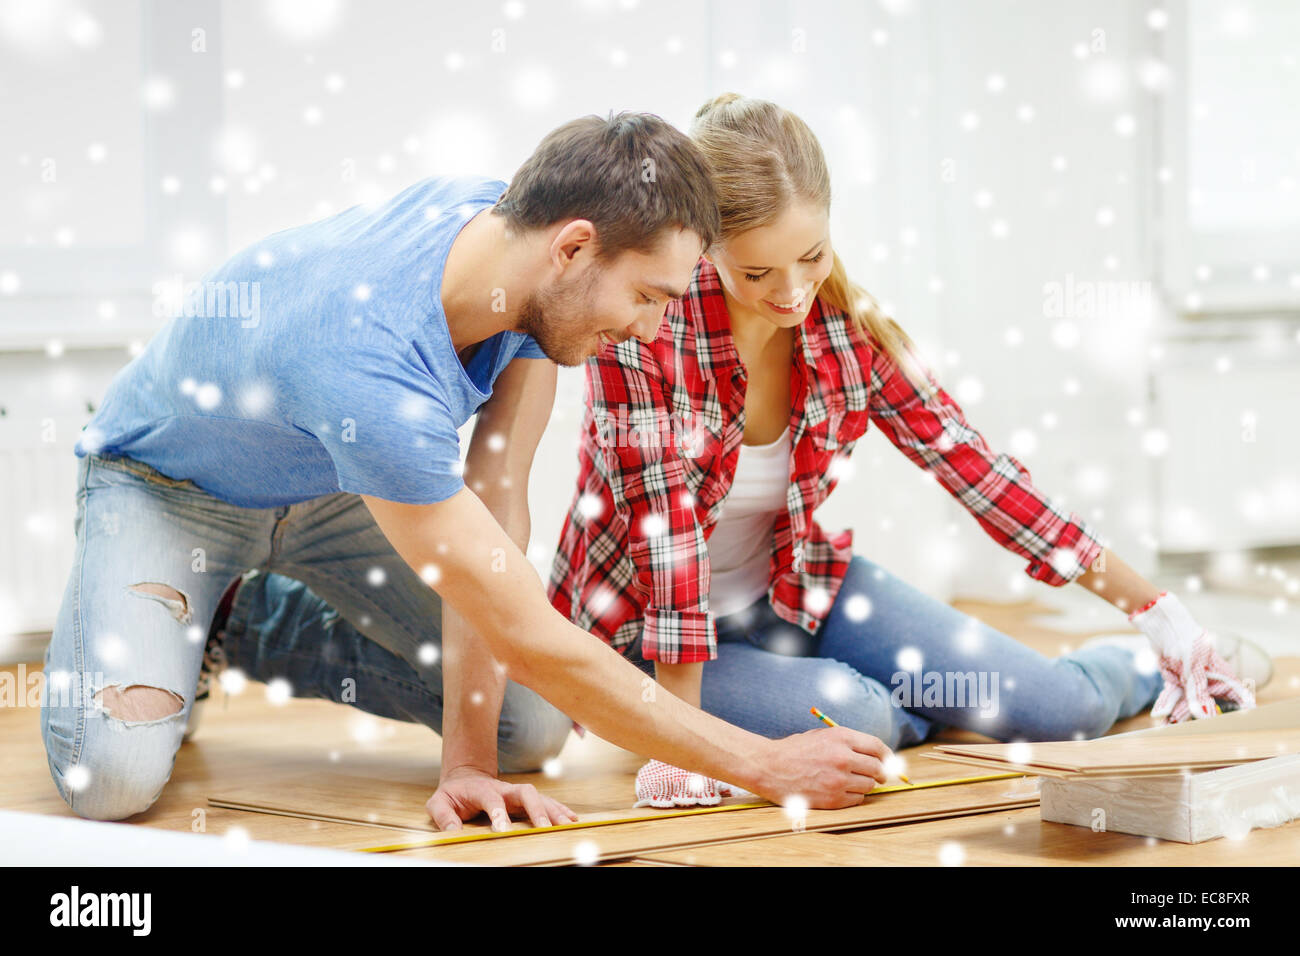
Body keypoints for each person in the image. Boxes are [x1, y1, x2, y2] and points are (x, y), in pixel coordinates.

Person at [41, 111, 893, 827]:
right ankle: (161, 601)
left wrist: (467, 766)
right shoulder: (367, 365)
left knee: (526, 728)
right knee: (109, 782)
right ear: (575, 247)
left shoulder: (520, 252)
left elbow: (497, 508)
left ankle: (247, 622)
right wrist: (767, 766)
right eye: (648, 298)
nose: (648, 332)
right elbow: (524, 629)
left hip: (333, 480)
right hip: (169, 488)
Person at [544, 93, 1267, 807]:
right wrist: (686, 736)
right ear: (705, 245)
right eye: (757, 273)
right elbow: (667, 540)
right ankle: (873, 706)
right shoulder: (646, 327)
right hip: (651, 633)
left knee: (1060, 713)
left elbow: (974, 468)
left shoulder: (844, 328)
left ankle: (1149, 665)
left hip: (797, 591)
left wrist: (1157, 611)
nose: (793, 292)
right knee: (858, 720)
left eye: (811, 257)